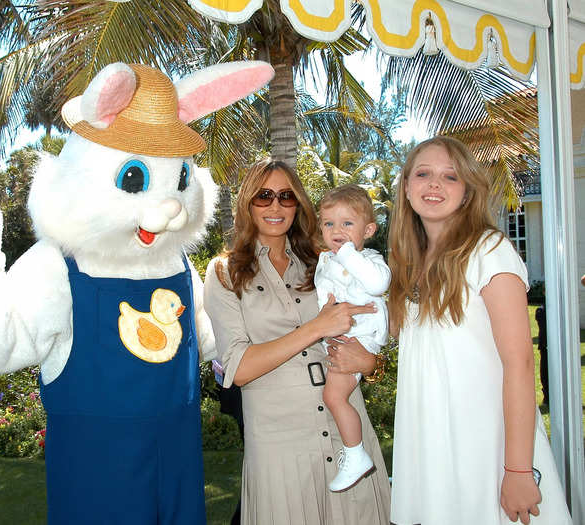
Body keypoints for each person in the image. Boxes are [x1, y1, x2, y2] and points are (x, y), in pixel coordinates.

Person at [387, 136, 572, 525]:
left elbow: (520, 365)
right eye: (423, 174)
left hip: (489, 448)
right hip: (435, 444)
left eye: (450, 177)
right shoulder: (409, 265)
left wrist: (519, 470)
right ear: (406, 186)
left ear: (468, 192)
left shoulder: (490, 251)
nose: (434, 185)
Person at [203, 158, 391, 525]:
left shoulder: (325, 263)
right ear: (247, 203)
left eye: (286, 196)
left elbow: (374, 319)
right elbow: (238, 368)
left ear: (298, 204)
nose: (275, 206)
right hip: (281, 448)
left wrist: (371, 364)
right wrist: (317, 327)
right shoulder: (224, 273)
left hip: (347, 435)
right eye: (264, 196)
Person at [314, 184, 390, 492]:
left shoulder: (369, 259)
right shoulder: (326, 261)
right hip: (342, 335)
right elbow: (326, 300)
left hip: (361, 338)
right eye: (329, 223)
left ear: (368, 229)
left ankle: (356, 454)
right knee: (334, 397)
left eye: (347, 224)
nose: (337, 230)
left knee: (333, 397)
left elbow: (376, 284)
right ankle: (354, 452)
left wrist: (346, 252)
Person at [534, 302, 549, 406]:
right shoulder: (541, 311)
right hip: (545, 346)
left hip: (554, 345)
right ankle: (547, 397)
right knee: (545, 372)